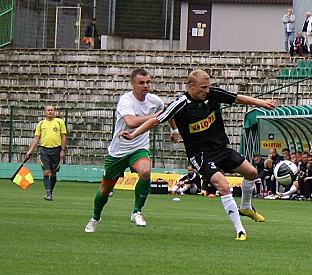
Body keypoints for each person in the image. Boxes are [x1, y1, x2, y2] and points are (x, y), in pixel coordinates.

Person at [119, 69, 277, 241]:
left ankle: (246, 207)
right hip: (201, 154)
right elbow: (155, 121)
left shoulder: (212, 94)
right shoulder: (180, 104)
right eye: (203, 88)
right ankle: (240, 230)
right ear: (192, 87)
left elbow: (237, 98)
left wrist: (262, 103)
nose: (207, 91)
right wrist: (133, 134)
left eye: (208, 87)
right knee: (223, 185)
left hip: (221, 148)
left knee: (252, 173)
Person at [84, 68, 179, 233]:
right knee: (105, 190)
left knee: (145, 171)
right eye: (142, 83)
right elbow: (131, 122)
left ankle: (137, 212)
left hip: (139, 148)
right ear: (133, 84)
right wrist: (156, 116)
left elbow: (167, 112)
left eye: (148, 82)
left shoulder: (153, 100)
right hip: (118, 151)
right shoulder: (125, 100)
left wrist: (174, 130)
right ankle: (95, 218)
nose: (146, 86)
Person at [26, 105, 67, 201]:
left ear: (55, 111)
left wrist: (63, 150)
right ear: (45, 112)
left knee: (53, 173)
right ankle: (48, 193)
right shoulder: (41, 124)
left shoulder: (59, 122)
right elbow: (37, 138)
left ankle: (50, 192)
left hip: (56, 150)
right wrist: (30, 150)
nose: (50, 112)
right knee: (46, 171)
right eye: (48, 110)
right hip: (44, 150)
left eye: (52, 110)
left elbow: (63, 136)